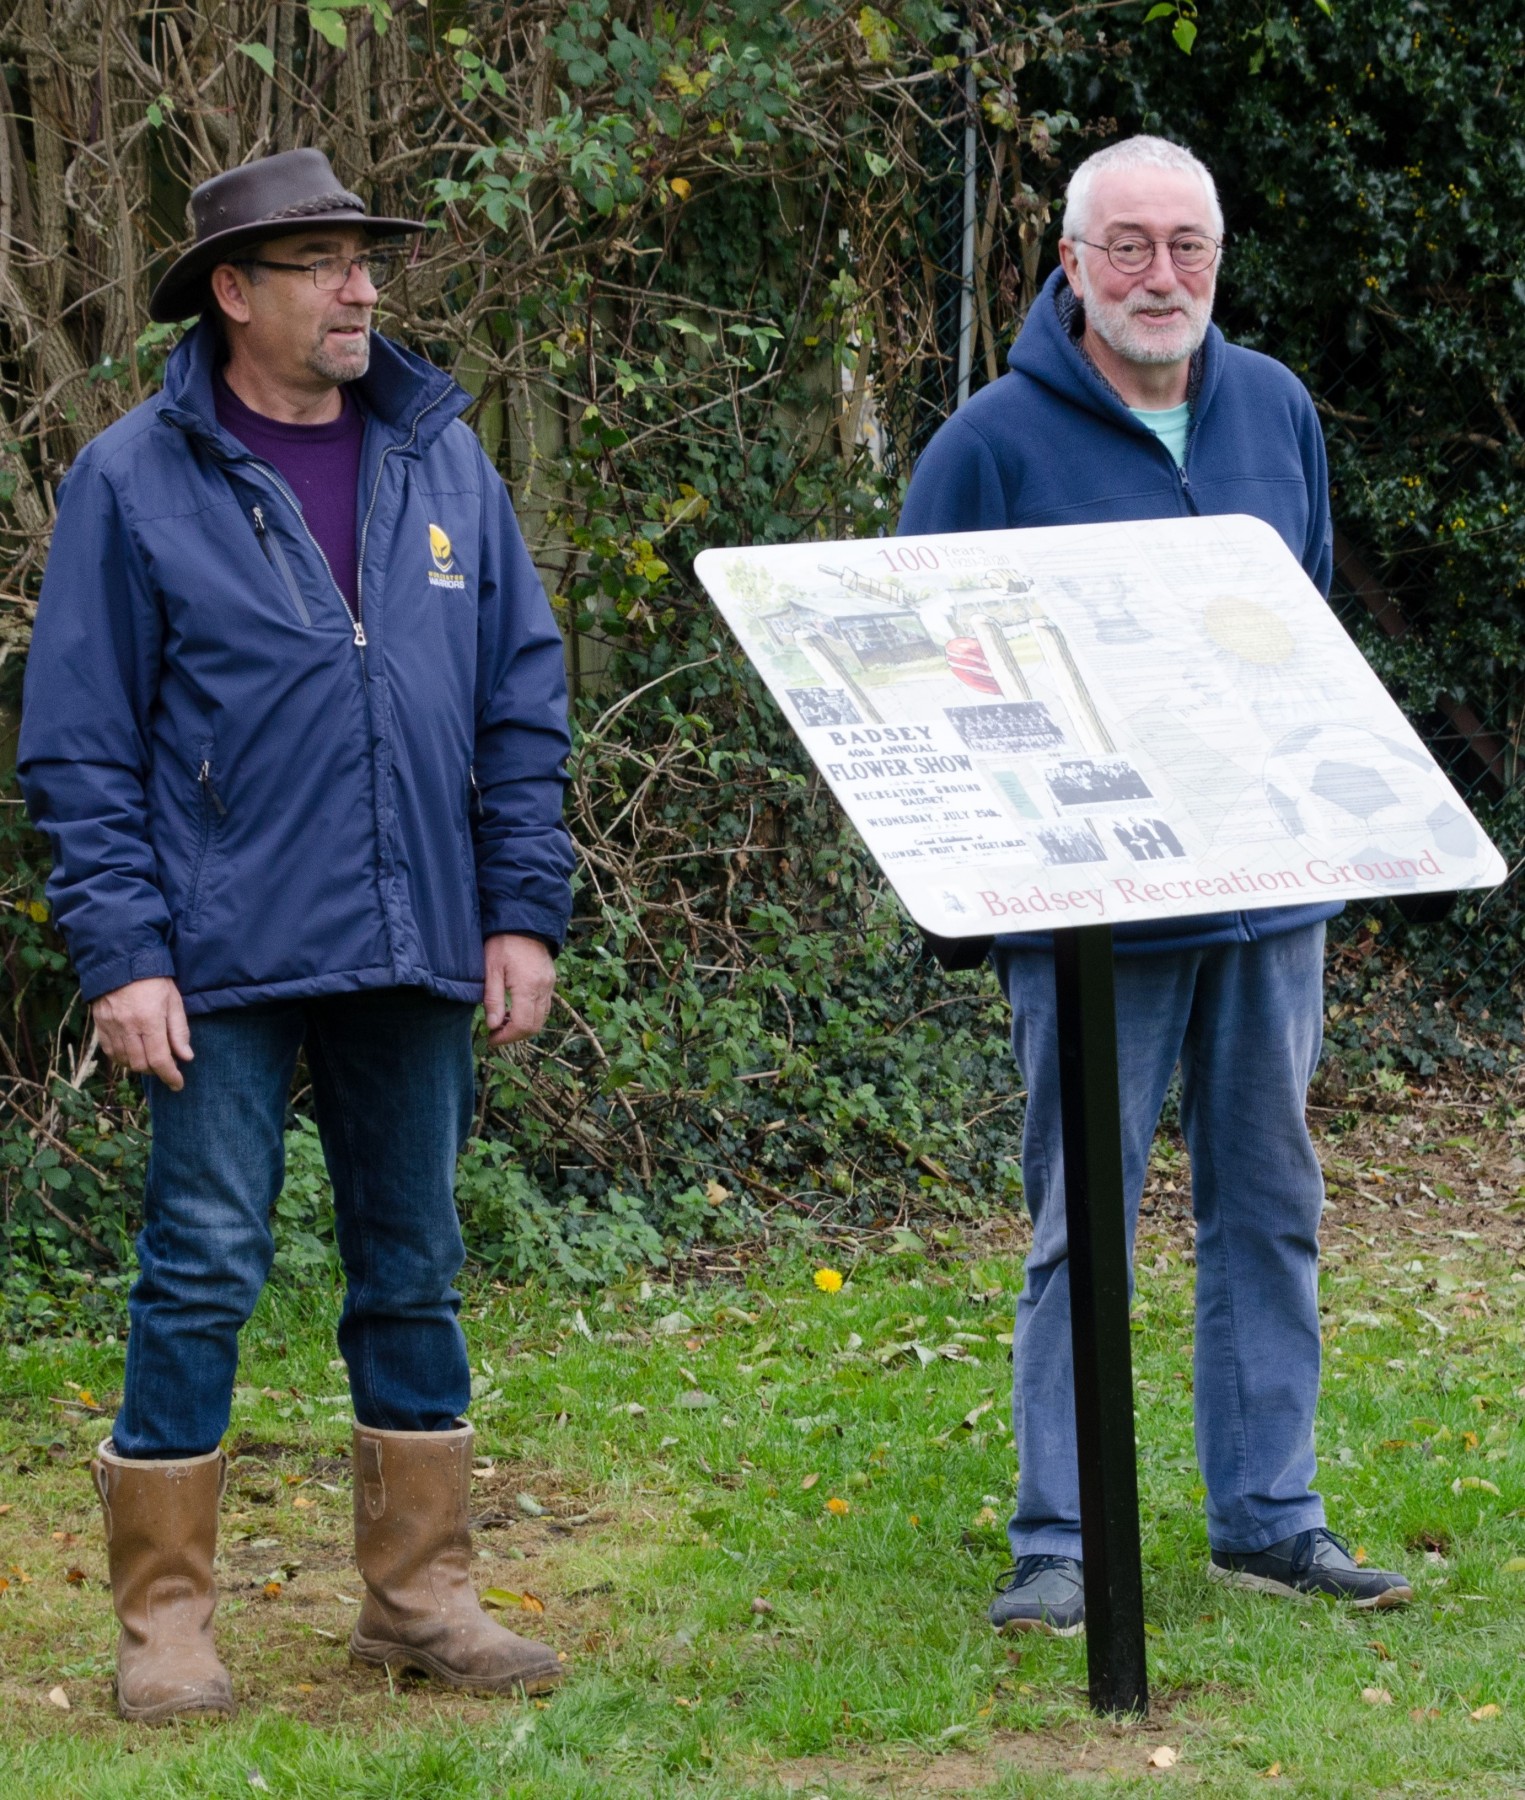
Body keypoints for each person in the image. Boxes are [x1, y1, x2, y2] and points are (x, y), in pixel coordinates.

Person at [18, 149, 575, 1720]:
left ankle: (420, 1599)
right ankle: (169, 1627)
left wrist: (520, 908)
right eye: (321, 262)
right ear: (231, 292)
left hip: (417, 936)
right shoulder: (135, 476)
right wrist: (123, 953)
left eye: (364, 258)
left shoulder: (440, 458)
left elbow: (520, 697)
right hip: (218, 956)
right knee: (199, 1265)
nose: (360, 289)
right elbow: (77, 743)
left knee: (415, 1266)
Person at [899, 135, 1413, 1635]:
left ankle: (1269, 1520)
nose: (1158, 275)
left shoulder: (1272, 410)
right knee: (1085, 1220)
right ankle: (1058, 1540)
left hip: (1270, 894)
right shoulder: (987, 443)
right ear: (1068, 264)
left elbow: (1301, 628)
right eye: (1124, 246)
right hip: (1088, 915)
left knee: (1268, 1206)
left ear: (1217, 261)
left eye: (1186, 246)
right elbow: (924, 687)